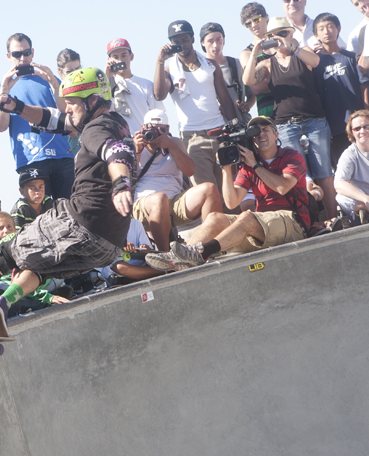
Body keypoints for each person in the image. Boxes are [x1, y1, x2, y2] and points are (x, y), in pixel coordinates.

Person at [0, 68, 135, 337]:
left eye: (72, 103)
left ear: (93, 100)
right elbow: (54, 119)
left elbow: (115, 152)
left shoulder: (97, 129)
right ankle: (1, 305)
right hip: (108, 243)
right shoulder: (114, 122)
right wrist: (17, 107)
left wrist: (121, 183)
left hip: (80, 222)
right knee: (41, 266)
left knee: (7, 249)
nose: (68, 110)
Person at [146, 116, 311, 271]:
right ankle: (177, 259)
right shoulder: (249, 164)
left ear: (276, 135)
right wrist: (225, 168)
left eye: (265, 129)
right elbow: (232, 202)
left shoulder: (291, 156)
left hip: (293, 222)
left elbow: (283, 187)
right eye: (256, 131)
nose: (260, 134)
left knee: (246, 217)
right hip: (262, 227)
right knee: (214, 217)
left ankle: (201, 253)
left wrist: (255, 165)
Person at [243, 17, 337, 219]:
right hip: (285, 124)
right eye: (273, 36)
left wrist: (292, 48)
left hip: (315, 121)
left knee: (324, 174)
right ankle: (309, 222)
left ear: (291, 33)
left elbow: (316, 61)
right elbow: (248, 80)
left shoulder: (302, 54)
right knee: (297, 177)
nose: (278, 39)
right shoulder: (268, 63)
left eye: (283, 33)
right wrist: (255, 52)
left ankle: (333, 219)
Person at [154, 20, 238, 198]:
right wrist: (160, 61)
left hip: (220, 132)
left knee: (228, 191)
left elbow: (224, 99)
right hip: (192, 137)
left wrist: (234, 126)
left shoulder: (210, 65)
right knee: (207, 193)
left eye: (184, 39)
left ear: (192, 39)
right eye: (176, 41)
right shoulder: (169, 70)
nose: (181, 45)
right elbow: (159, 94)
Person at [0, 33, 75, 200]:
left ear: (33, 52)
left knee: (71, 213)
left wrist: (54, 83)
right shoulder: (0, 87)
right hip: (31, 160)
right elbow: (0, 126)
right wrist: (5, 92)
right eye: (17, 54)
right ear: (8, 56)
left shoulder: (49, 80)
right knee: (42, 219)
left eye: (27, 52)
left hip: (62, 156)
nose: (23, 58)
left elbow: (68, 115)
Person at [132, 109, 222, 252]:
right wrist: (136, 151)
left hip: (173, 201)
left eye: (160, 130)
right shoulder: (134, 144)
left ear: (168, 129)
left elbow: (190, 171)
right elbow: (127, 179)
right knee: (159, 198)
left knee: (209, 189)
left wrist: (171, 146)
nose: (155, 133)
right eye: (151, 129)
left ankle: (208, 247)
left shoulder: (174, 143)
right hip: (144, 203)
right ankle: (166, 255)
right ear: (143, 128)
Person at [0, 212, 70, 314]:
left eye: (9, 227)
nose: (6, 231)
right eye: (1, 228)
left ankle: (45, 298)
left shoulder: (18, 245)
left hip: (29, 285)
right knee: (0, 287)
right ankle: (43, 301)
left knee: (58, 277)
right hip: (9, 286)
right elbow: (14, 281)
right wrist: (47, 297)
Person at [313, 13, 363, 167]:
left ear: (338, 28)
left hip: (358, 124)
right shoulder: (315, 63)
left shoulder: (351, 57)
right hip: (334, 127)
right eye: (321, 29)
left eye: (330, 27)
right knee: (346, 169)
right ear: (316, 34)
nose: (326, 31)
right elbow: (316, 95)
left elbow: (362, 87)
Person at [105, 38, 165, 135]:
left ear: (131, 56)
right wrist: (107, 76)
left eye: (124, 55)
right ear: (109, 60)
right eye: (115, 57)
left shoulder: (146, 84)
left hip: (145, 140)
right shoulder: (106, 86)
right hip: (120, 143)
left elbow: (157, 114)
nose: (120, 60)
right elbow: (100, 106)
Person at [200, 22, 255, 125]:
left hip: (242, 124)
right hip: (215, 127)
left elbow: (252, 95)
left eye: (218, 39)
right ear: (203, 42)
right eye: (210, 41)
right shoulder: (200, 70)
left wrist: (246, 105)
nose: (215, 45)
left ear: (224, 39)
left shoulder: (237, 64)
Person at [240, 3, 275, 118]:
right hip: (268, 111)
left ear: (266, 17)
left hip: (296, 107)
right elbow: (256, 87)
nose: (253, 25)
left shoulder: (282, 41)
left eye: (256, 19)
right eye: (248, 23)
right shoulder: (247, 53)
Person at [334, 110, 369, 224]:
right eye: (357, 128)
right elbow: (339, 183)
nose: (362, 131)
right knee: (341, 197)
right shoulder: (349, 154)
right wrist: (365, 199)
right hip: (363, 198)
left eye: (366, 126)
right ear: (352, 132)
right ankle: (363, 210)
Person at [282, 0, 346, 51]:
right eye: (287, 0)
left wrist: (325, 50)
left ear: (305, 1)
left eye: (296, 0)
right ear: (282, 3)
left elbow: (342, 49)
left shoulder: (320, 26)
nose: (292, 3)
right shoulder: (278, 31)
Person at [56, 49, 83, 155]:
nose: (75, 74)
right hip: (72, 153)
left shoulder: (85, 88)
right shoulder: (59, 93)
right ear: (59, 71)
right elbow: (73, 132)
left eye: (78, 69)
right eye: (69, 71)